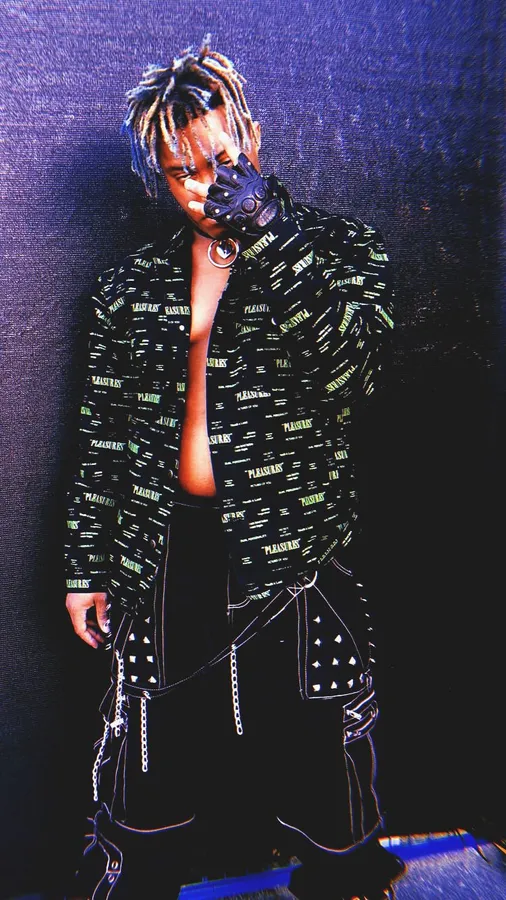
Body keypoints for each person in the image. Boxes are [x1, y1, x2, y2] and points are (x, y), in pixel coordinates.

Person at [64, 35, 406, 900]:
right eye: (181, 171)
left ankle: (345, 882)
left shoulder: (337, 249)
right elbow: (104, 437)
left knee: (322, 755)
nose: (203, 187)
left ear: (250, 138)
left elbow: (353, 373)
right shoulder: (133, 285)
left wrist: (269, 233)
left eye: (219, 161)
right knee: (150, 759)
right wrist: (86, 567)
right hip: (164, 551)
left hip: (292, 555)